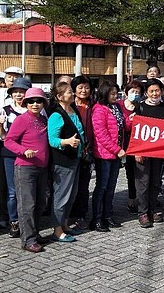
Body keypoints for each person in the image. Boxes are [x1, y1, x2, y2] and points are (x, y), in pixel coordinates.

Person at [3, 87, 50, 253]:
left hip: (42, 167)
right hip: (25, 167)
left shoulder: (43, 120)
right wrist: (23, 151)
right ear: (26, 103)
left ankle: (34, 234)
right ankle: (28, 240)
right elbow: (8, 141)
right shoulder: (21, 120)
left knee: (40, 203)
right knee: (27, 204)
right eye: (31, 101)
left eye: (38, 101)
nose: (35, 104)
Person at [47, 82, 84, 243]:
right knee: (61, 195)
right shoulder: (56, 115)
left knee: (72, 194)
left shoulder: (73, 110)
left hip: (76, 158)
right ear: (59, 96)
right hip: (63, 161)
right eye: (69, 92)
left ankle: (65, 223)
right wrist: (66, 142)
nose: (72, 94)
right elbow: (52, 139)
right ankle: (57, 229)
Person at [0, 66, 24, 231]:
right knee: (3, 184)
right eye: (10, 76)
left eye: (17, 77)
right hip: (2, 145)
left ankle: (21, 217)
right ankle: (4, 216)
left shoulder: (28, 101)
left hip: (24, 148)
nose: (13, 79)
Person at [0, 76, 32, 239]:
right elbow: (1, 136)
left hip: (31, 154)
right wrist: (0, 123)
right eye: (15, 91)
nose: (18, 95)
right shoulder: (5, 109)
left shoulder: (35, 107)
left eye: (22, 91)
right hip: (10, 154)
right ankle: (14, 221)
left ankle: (29, 221)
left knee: (28, 190)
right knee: (12, 191)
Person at [134, 79, 164, 228]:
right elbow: (135, 132)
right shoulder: (140, 107)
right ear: (146, 93)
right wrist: (137, 151)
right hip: (142, 152)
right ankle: (142, 212)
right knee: (143, 183)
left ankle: (153, 209)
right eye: (151, 91)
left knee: (155, 182)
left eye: (157, 90)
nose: (155, 94)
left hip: (159, 152)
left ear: (162, 91)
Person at [90, 81, 126, 232]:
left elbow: (123, 125)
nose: (115, 96)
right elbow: (101, 134)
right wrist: (117, 149)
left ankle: (107, 215)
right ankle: (96, 218)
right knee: (102, 186)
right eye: (112, 93)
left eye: (116, 93)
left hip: (116, 154)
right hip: (104, 154)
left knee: (111, 186)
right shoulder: (99, 109)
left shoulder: (116, 107)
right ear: (105, 93)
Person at [69, 76, 96, 230]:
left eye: (86, 87)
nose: (84, 90)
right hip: (70, 151)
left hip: (87, 151)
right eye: (80, 87)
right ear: (74, 90)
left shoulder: (94, 106)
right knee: (69, 184)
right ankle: (68, 213)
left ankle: (81, 214)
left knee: (83, 185)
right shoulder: (69, 106)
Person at [117, 80, 143, 214]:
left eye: (138, 92)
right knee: (129, 174)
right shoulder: (119, 106)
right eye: (132, 91)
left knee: (138, 174)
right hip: (123, 145)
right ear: (126, 93)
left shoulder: (142, 107)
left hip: (138, 145)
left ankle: (138, 200)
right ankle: (131, 199)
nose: (135, 94)